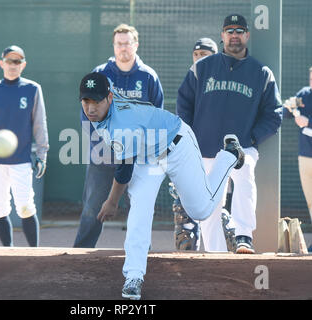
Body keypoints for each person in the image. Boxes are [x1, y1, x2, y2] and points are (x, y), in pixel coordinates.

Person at [79, 72, 245, 300]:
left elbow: (124, 172)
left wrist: (111, 202)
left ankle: (229, 155)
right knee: (140, 209)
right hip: (147, 157)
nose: (90, 108)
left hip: (176, 144)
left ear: (109, 97)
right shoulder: (100, 109)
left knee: (201, 210)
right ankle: (133, 276)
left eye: (95, 101)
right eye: (86, 100)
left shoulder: (122, 123)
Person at [177, 14, 282, 254]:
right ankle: (216, 254)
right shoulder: (202, 67)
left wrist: (252, 139)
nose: (234, 35)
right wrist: (191, 139)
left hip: (242, 147)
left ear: (247, 35)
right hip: (205, 147)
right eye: (229, 30)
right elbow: (183, 104)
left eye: (239, 30)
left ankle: (244, 235)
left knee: (245, 177)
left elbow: (274, 113)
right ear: (222, 35)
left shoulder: (261, 72)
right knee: (210, 205)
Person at [73, 23, 164, 248]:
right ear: (113, 46)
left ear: (136, 45)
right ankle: (79, 257)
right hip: (103, 156)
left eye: (127, 43)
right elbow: (87, 114)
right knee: (93, 208)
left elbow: (156, 116)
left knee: (139, 209)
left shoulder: (148, 76)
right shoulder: (100, 74)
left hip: (137, 158)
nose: (123, 48)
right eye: (119, 44)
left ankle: (141, 255)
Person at [0, 45, 49, 247]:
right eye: (9, 61)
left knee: (25, 206)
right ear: (2, 63)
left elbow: (39, 124)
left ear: (23, 65)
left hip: (21, 160)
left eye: (17, 61)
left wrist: (42, 155)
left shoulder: (32, 89)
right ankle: (8, 252)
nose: (12, 65)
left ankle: (35, 254)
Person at [172, 37, 237, 252]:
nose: (200, 58)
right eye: (197, 54)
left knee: (223, 214)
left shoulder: (228, 78)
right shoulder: (192, 78)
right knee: (186, 215)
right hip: (196, 154)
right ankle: (193, 263)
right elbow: (182, 112)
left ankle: (224, 256)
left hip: (225, 155)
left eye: (205, 54)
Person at [282, 66, 312, 253]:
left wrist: (308, 122)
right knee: (310, 200)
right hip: (305, 157)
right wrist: (291, 108)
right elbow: (285, 109)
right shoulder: (305, 94)